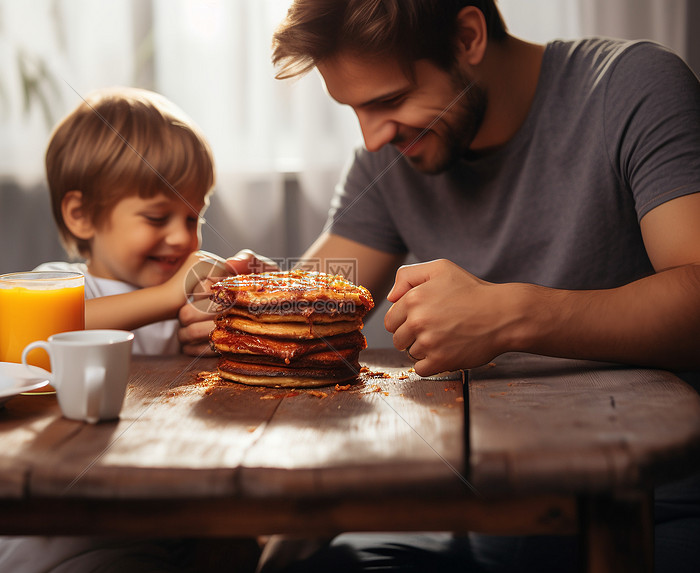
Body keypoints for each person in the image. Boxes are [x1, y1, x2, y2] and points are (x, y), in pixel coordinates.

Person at [176, 1, 700, 571]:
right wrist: (241, 315)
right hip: (479, 517)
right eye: (353, 110)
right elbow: (310, 298)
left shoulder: (632, 87)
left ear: (468, 37)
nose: (372, 138)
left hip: (653, 512)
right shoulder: (394, 158)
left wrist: (513, 315)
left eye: (389, 101)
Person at [0, 87, 258, 572]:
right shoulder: (56, 285)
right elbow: (44, 333)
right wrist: (168, 299)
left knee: (240, 548)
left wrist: (226, 317)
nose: (181, 237)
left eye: (193, 217)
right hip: (54, 541)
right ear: (80, 215)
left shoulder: (178, 298)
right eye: (156, 216)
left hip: (149, 526)